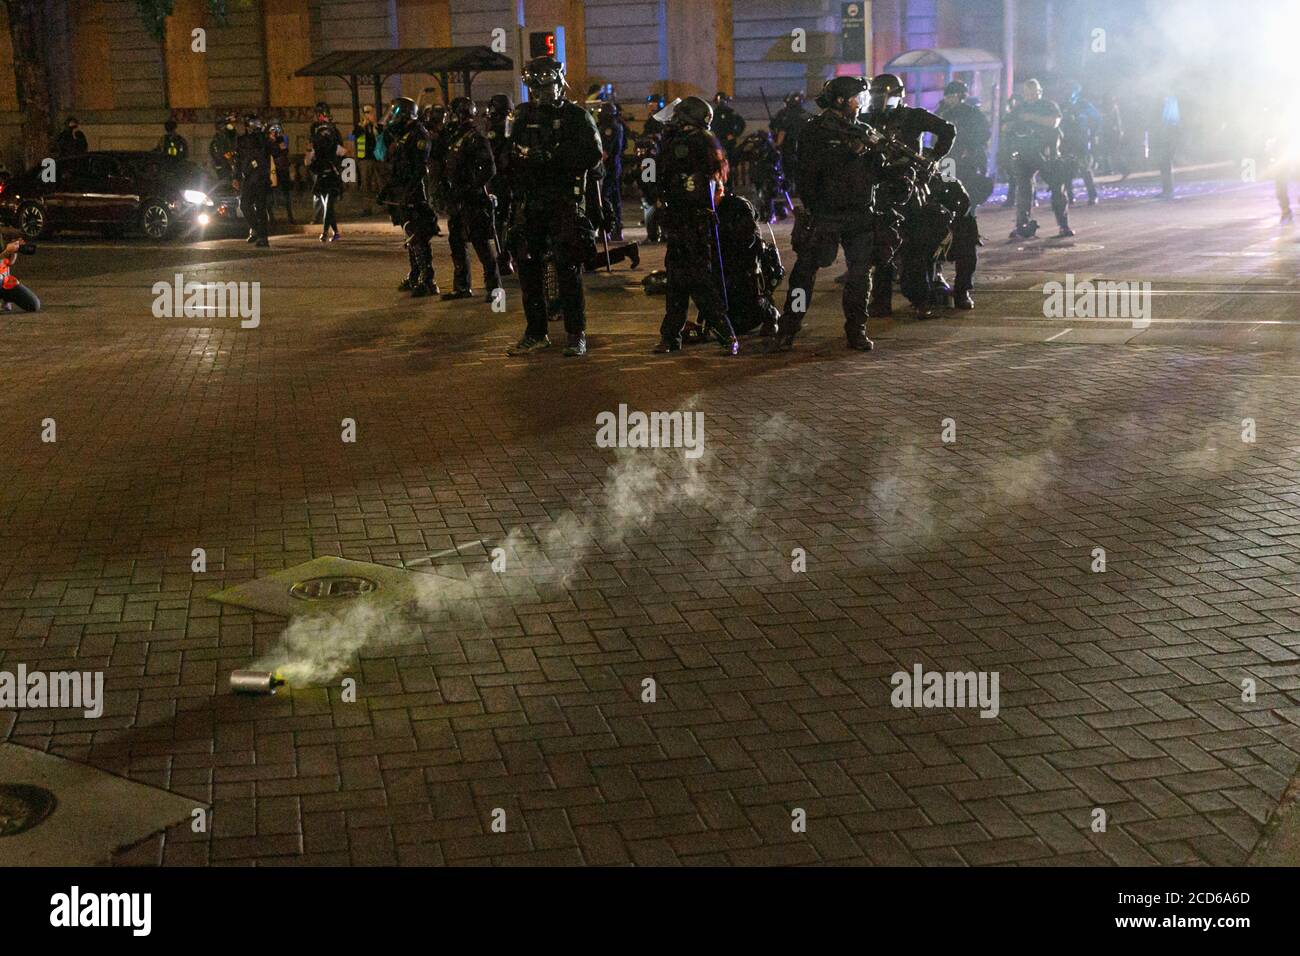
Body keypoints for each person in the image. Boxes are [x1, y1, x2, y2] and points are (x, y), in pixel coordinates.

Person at [766, 76, 912, 352]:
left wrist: (898, 172)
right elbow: (811, 168)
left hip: (859, 213)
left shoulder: (863, 130)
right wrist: (851, 151)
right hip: (825, 214)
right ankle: (788, 328)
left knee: (859, 276)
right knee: (804, 274)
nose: (862, 103)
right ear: (840, 100)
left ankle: (856, 330)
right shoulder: (816, 131)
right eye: (858, 97)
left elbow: (874, 171)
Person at [504, 56, 603, 357]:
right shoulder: (521, 117)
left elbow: (593, 154)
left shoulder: (576, 116)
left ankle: (576, 334)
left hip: (563, 201)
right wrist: (521, 161)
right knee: (528, 269)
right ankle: (536, 332)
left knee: (567, 268)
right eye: (538, 89)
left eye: (550, 86)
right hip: (530, 201)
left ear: (561, 84)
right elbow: (505, 156)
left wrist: (553, 157)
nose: (546, 93)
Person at [862, 73, 956, 320]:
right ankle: (881, 302)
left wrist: (933, 157)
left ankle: (921, 299)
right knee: (881, 247)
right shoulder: (866, 119)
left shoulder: (913, 116)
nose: (880, 101)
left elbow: (947, 130)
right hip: (879, 189)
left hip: (910, 188)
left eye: (885, 96)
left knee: (912, 248)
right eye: (876, 95)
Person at [651, 95, 736, 354]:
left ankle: (726, 333)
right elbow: (656, 177)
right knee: (676, 280)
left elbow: (716, 175)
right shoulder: (676, 141)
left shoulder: (700, 141)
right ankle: (671, 336)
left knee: (698, 279)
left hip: (695, 220)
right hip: (677, 218)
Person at [440, 96, 502, 301]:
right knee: (456, 242)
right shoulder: (456, 136)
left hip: (472, 200)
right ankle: (462, 286)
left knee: (481, 245)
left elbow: (489, 169)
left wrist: (471, 187)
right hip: (457, 198)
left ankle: (494, 289)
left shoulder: (475, 138)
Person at [936, 80, 991, 309]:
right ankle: (935, 284)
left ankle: (963, 289)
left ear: (961, 96)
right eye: (948, 95)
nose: (950, 99)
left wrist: (970, 151)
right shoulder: (941, 113)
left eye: (953, 95)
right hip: (946, 169)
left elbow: (982, 137)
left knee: (966, 231)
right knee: (936, 230)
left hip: (967, 172)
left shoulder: (973, 114)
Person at [380, 96, 440, 297]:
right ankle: (415, 274)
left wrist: (409, 192)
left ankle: (427, 278)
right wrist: (387, 189)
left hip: (415, 191)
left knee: (418, 234)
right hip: (402, 189)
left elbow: (420, 168)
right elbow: (397, 166)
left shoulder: (418, 133)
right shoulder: (403, 134)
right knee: (410, 234)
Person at [1005, 78, 1073, 238]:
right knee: (1023, 191)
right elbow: (1005, 126)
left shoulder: (1048, 105)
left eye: (1034, 93)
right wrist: (1014, 124)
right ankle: (1021, 226)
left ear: (1040, 92)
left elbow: (1054, 122)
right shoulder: (1018, 109)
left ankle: (1063, 225)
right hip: (1024, 153)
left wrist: (1031, 118)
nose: (1031, 97)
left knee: (1057, 189)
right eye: (1027, 94)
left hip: (1047, 154)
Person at [235, 115, 275, 247]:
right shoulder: (241, 140)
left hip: (261, 177)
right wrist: (236, 176)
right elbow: (238, 159)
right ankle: (257, 229)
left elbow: (270, 151)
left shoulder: (262, 139)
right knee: (244, 204)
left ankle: (263, 237)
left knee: (261, 208)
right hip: (248, 176)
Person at [486, 94, 515, 275]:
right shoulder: (514, 126)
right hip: (514, 179)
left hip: (501, 180)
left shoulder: (496, 128)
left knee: (501, 220)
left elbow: (492, 155)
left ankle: (505, 258)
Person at [308, 102, 344, 241]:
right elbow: (312, 148)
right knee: (326, 204)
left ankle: (325, 232)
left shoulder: (333, 130)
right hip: (321, 168)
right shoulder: (315, 130)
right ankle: (335, 232)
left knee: (328, 203)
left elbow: (339, 148)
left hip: (331, 168)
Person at [1060, 83, 1100, 205]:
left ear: (1077, 91)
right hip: (1066, 141)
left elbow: (1097, 119)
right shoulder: (1063, 105)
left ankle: (1093, 195)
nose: (1068, 93)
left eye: (1071, 90)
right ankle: (1069, 197)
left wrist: (1093, 134)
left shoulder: (1084, 105)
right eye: (1066, 90)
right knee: (1066, 169)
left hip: (1081, 140)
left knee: (1085, 169)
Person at [736, 129, 787, 223]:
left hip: (770, 180)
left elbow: (776, 167)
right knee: (759, 197)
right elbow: (739, 153)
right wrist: (746, 141)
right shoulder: (755, 153)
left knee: (766, 195)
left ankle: (772, 214)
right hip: (758, 178)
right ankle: (766, 214)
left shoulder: (772, 153)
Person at [595, 100, 626, 240]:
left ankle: (609, 228)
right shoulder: (615, 127)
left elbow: (605, 153)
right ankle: (615, 228)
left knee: (605, 197)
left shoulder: (611, 128)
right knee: (613, 197)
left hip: (609, 167)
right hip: (613, 166)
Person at [770, 91, 811, 193]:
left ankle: (790, 189)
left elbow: (781, 131)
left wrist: (777, 144)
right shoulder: (807, 115)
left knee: (788, 169)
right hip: (805, 148)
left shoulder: (784, 114)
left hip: (789, 147)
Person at [351, 104, 383, 214]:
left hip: (377, 158)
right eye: (366, 112)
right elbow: (352, 137)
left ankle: (386, 206)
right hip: (364, 159)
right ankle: (367, 208)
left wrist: (375, 127)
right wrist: (362, 126)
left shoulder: (377, 126)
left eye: (370, 112)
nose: (368, 115)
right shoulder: (360, 127)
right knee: (366, 185)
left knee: (381, 183)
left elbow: (383, 137)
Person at [0, 236, 40, 314]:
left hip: (5, 281)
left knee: (33, 305)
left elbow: (10, 262)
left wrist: (14, 250)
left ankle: (5, 298)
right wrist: (7, 252)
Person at [266, 121, 295, 225]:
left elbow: (284, 152)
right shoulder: (267, 142)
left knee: (286, 195)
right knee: (269, 196)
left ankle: (290, 217)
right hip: (272, 171)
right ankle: (271, 218)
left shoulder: (280, 140)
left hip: (282, 170)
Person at [712, 92, 746, 166]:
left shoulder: (731, 113)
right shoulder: (713, 114)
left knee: (731, 162)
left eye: (723, 101)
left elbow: (742, 124)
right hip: (717, 142)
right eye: (720, 101)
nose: (721, 103)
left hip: (729, 142)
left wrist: (734, 134)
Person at [209, 115, 239, 185]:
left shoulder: (232, 136)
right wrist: (232, 164)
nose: (232, 126)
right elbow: (223, 155)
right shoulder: (218, 140)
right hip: (224, 168)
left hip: (232, 168)